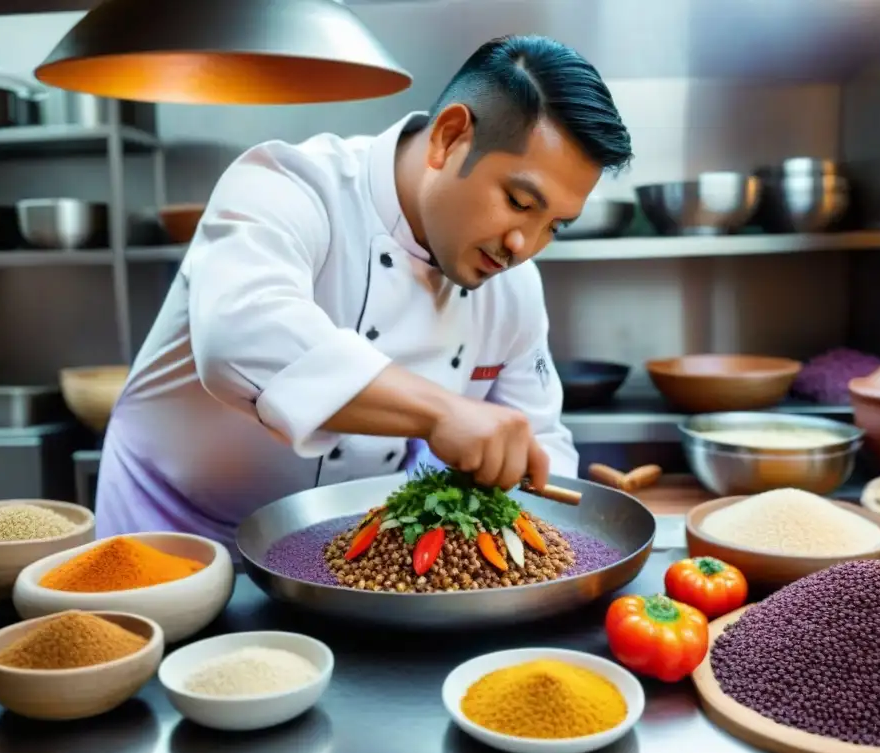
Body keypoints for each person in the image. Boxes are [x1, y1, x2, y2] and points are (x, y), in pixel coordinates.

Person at [95, 34, 633, 554]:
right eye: (519, 201)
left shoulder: (512, 284)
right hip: (173, 532)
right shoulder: (287, 184)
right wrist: (441, 413)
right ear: (449, 137)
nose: (525, 245)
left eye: (555, 227)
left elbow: (535, 441)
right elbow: (241, 336)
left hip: (343, 551)